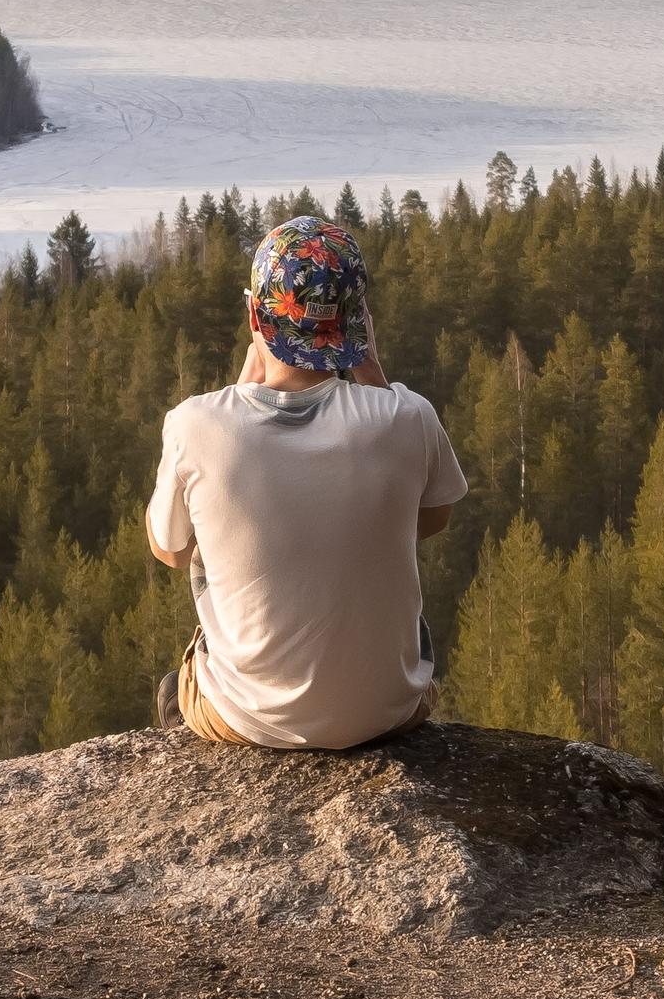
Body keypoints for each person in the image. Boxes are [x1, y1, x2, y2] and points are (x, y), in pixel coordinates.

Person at [146, 214, 467, 748]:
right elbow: (430, 520)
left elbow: (171, 551)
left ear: (254, 311)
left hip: (249, 722)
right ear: (358, 322)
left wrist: (236, 396)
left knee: (206, 547)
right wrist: (373, 371)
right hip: (388, 713)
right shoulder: (409, 417)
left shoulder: (195, 424)